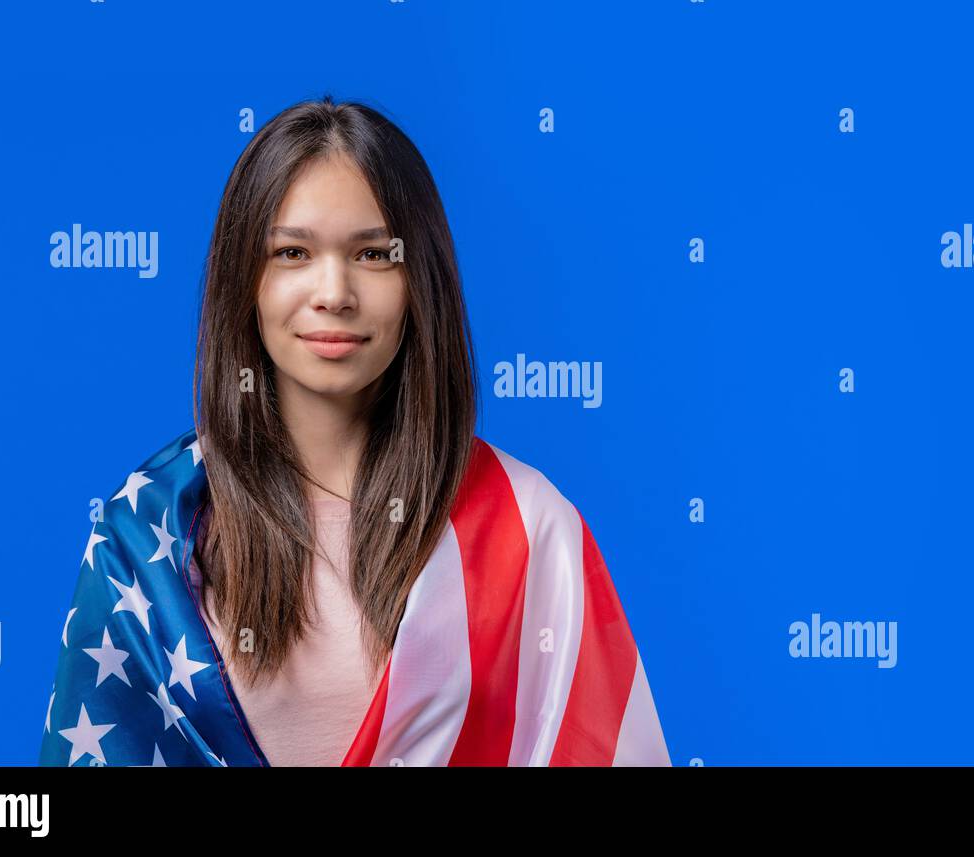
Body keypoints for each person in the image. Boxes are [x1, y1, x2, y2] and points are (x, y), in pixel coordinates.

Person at [39, 96, 669, 767]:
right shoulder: (146, 532)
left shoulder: (526, 524)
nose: (333, 291)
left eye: (373, 254)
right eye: (292, 252)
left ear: (419, 279)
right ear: (243, 281)